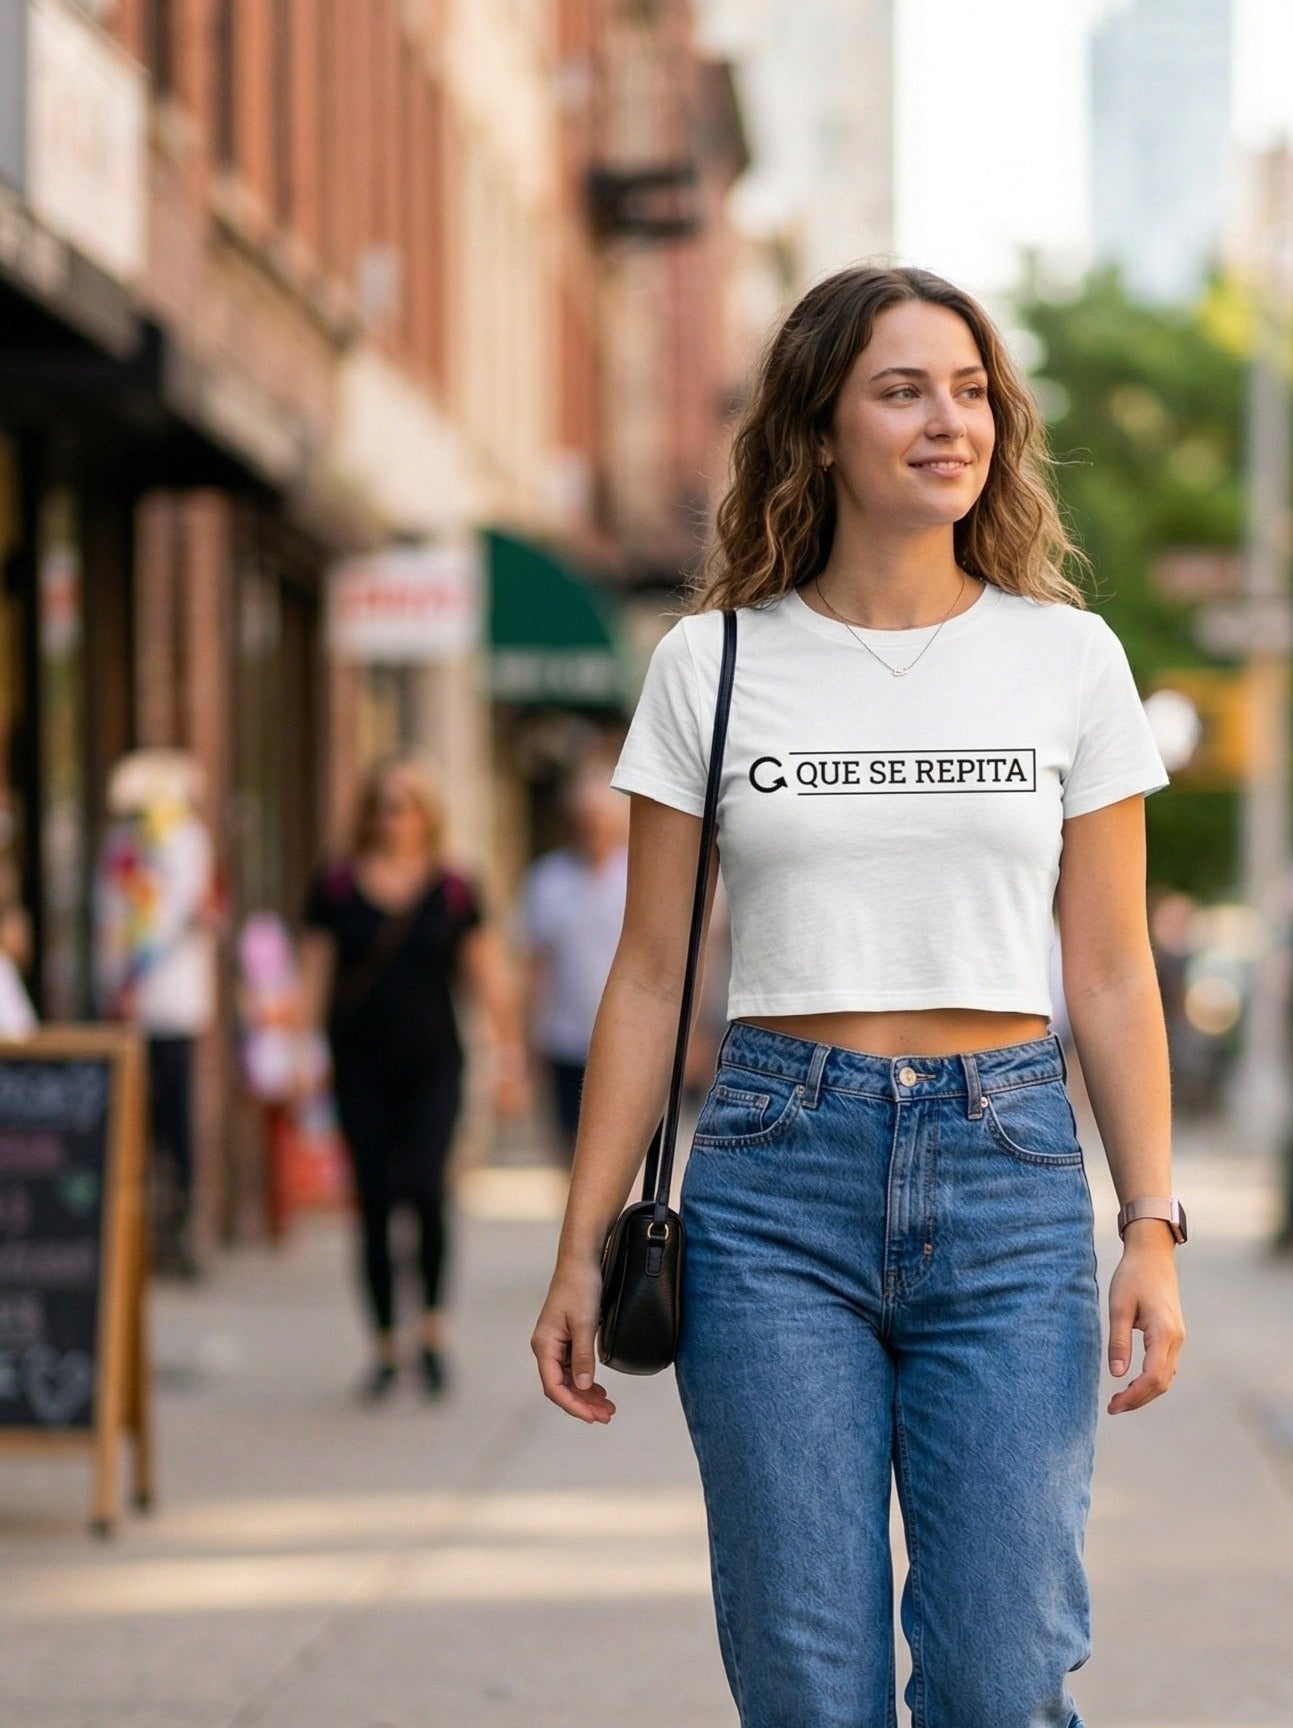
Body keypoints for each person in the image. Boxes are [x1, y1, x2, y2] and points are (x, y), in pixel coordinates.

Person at [532, 265, 1187, 1723]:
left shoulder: (1068, 658)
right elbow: (648, 976)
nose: (948, 422)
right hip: (776, 1183)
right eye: (902, 391)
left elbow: (1110, 966)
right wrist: (580, 1249)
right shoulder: (713, 662)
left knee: (1001, 1677)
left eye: (971, 392)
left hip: (1009, 1171)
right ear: (820, 431)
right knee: (806, 1684)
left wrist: (1150, 1224)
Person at [300, 757, 526, 1401]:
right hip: (358, 1065)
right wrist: (299, 1057)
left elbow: (488, 978)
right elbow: (313, 977)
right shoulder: (336, 886)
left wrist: (509, 1060)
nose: (391, 818)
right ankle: (384, 1346)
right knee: (373, 1200)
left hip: (433, 1066)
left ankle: (431, 1333)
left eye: (403, 805)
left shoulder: (453, 889)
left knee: (426, 1190)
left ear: (427, 815)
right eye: (381, 804)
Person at [94, 749, 219, 1280]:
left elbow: (181, 913)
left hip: (172, 1003)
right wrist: (116, 982)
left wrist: (134, 976)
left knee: (176, 1117)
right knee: (133, 1119)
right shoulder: (121, 844)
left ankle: (179, 1228)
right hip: (128, 1007)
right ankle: (136, 1229)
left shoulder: (187, 841)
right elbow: (109, 915)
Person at [517, 758, 630, 1161]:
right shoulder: (547, 879)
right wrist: (525, 1041)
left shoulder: (636, 878)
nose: (593, 828)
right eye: (585, 818)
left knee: (621, 1145)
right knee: (570, 1144)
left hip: (625, 1037)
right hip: (564, 1038)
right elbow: (536, 965)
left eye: (600, 818)